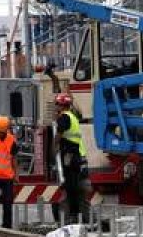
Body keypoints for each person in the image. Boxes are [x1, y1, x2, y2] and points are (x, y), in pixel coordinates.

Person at [52, 93, 90, 225]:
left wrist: (54, 147)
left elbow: (59, 135)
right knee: (77, 187)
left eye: (57, 104)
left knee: (70, 186)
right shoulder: (73, 117)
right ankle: (82, 217)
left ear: (61, 105)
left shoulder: (64, 117)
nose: (55, 106)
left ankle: (71, 217)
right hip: (76, 155)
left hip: (69, 155)